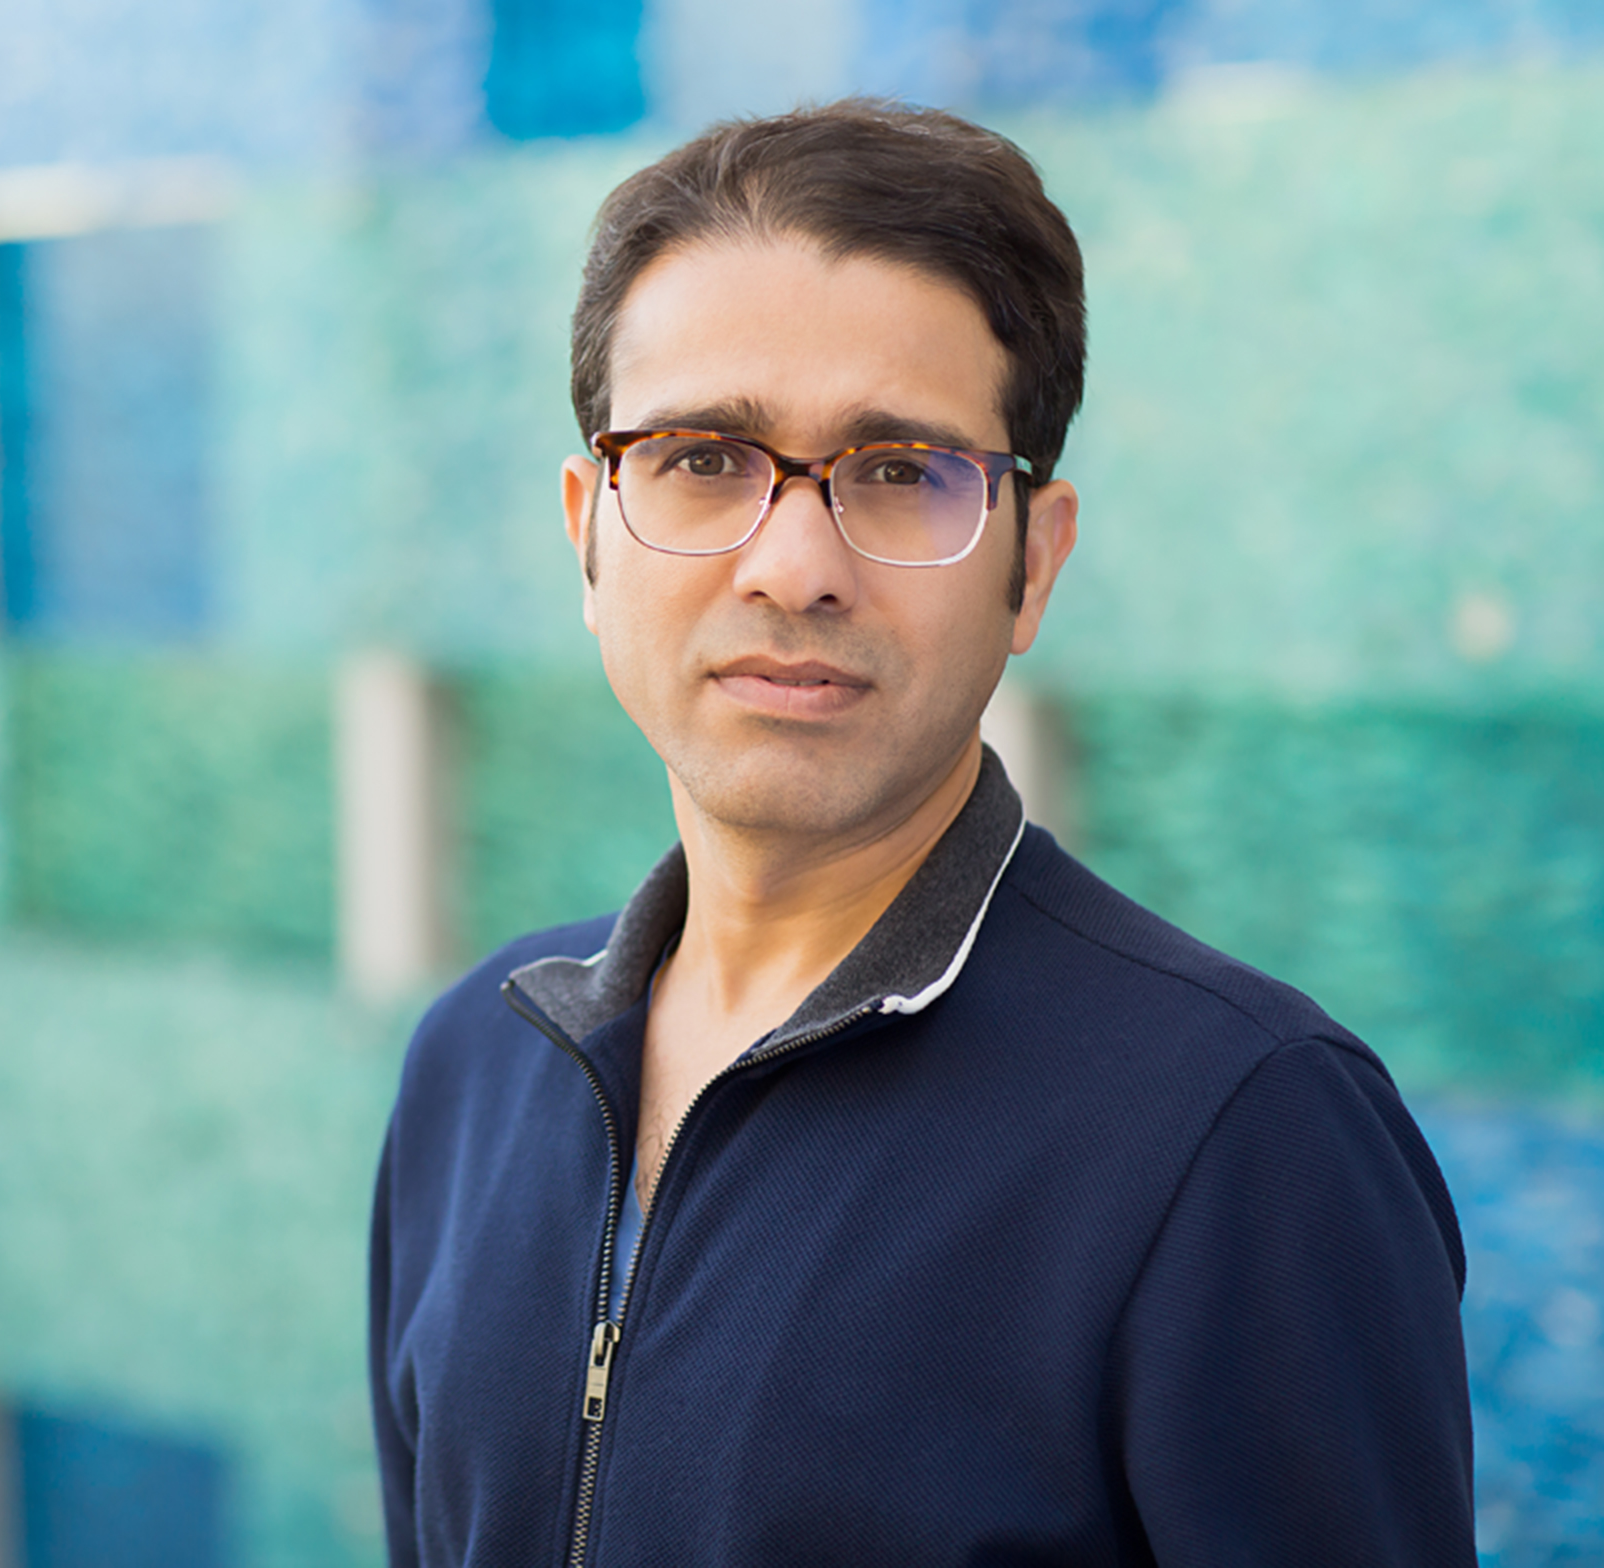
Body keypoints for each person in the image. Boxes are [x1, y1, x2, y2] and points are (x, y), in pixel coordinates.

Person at [367, 100, 1473, 1566]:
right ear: (589, 530)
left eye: (900, 472)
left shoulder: (1245, 1133)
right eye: (703, 458)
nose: (794, 568)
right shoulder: (476, 1066)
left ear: (1033, 565)